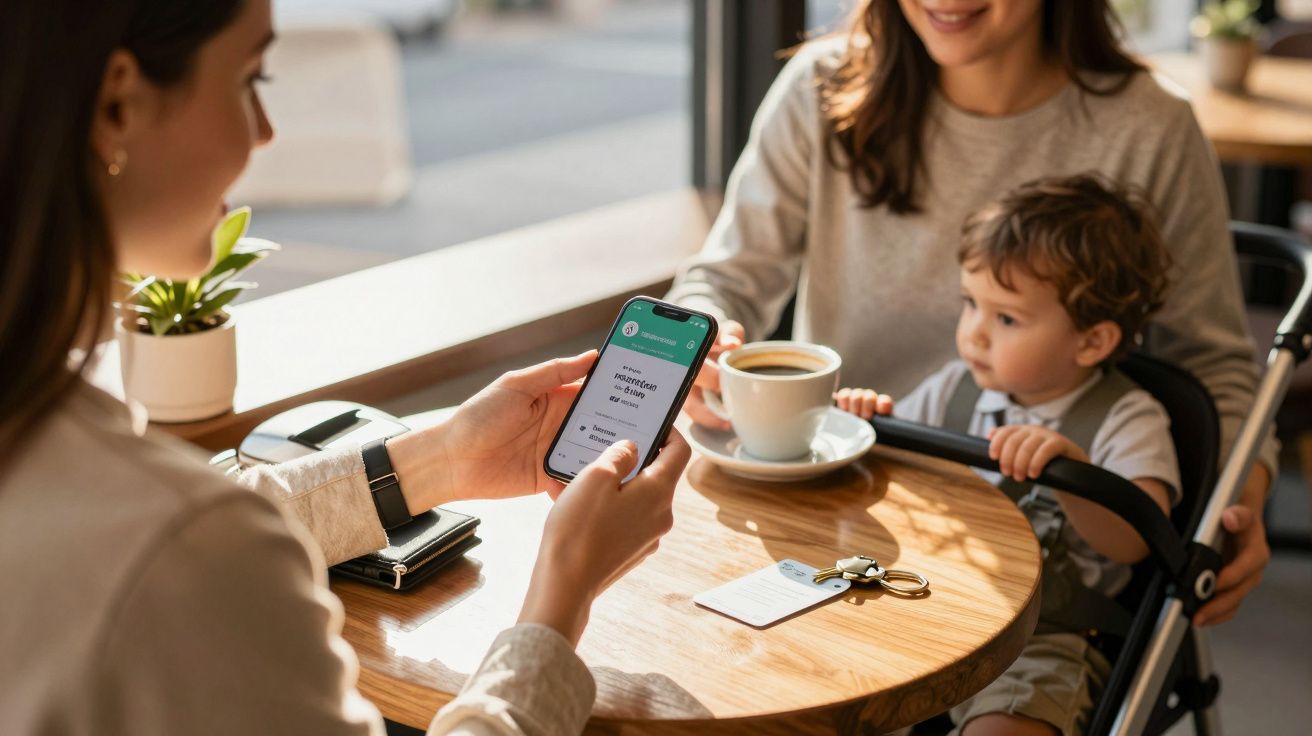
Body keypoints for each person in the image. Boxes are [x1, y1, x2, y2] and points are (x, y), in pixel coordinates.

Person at [0, 1, 687, 734]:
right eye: (249, 79)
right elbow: (188, 546)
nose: (265, 132)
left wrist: (441, 458)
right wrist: (562, 596)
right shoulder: (173, 553)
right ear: (117, 102)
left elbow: (198, 531)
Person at [667, 0, 1272, 634]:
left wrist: (1239, 500)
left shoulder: (1150, 127)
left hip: (1036, 551)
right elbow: (724, 281)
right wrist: (701, 342)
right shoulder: (823, 88)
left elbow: (1213, 364)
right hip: (830, 508)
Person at [836, 175, 1177, 735]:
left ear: (1093, 342)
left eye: (1007, 318)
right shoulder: (954, 388)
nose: (974, 334)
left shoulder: (1128, 419)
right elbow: (893, 477)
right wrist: (864, 426)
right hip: (935, 606)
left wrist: (1074, 475)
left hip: (1047, 639)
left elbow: (1139, 538)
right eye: (971, 304)